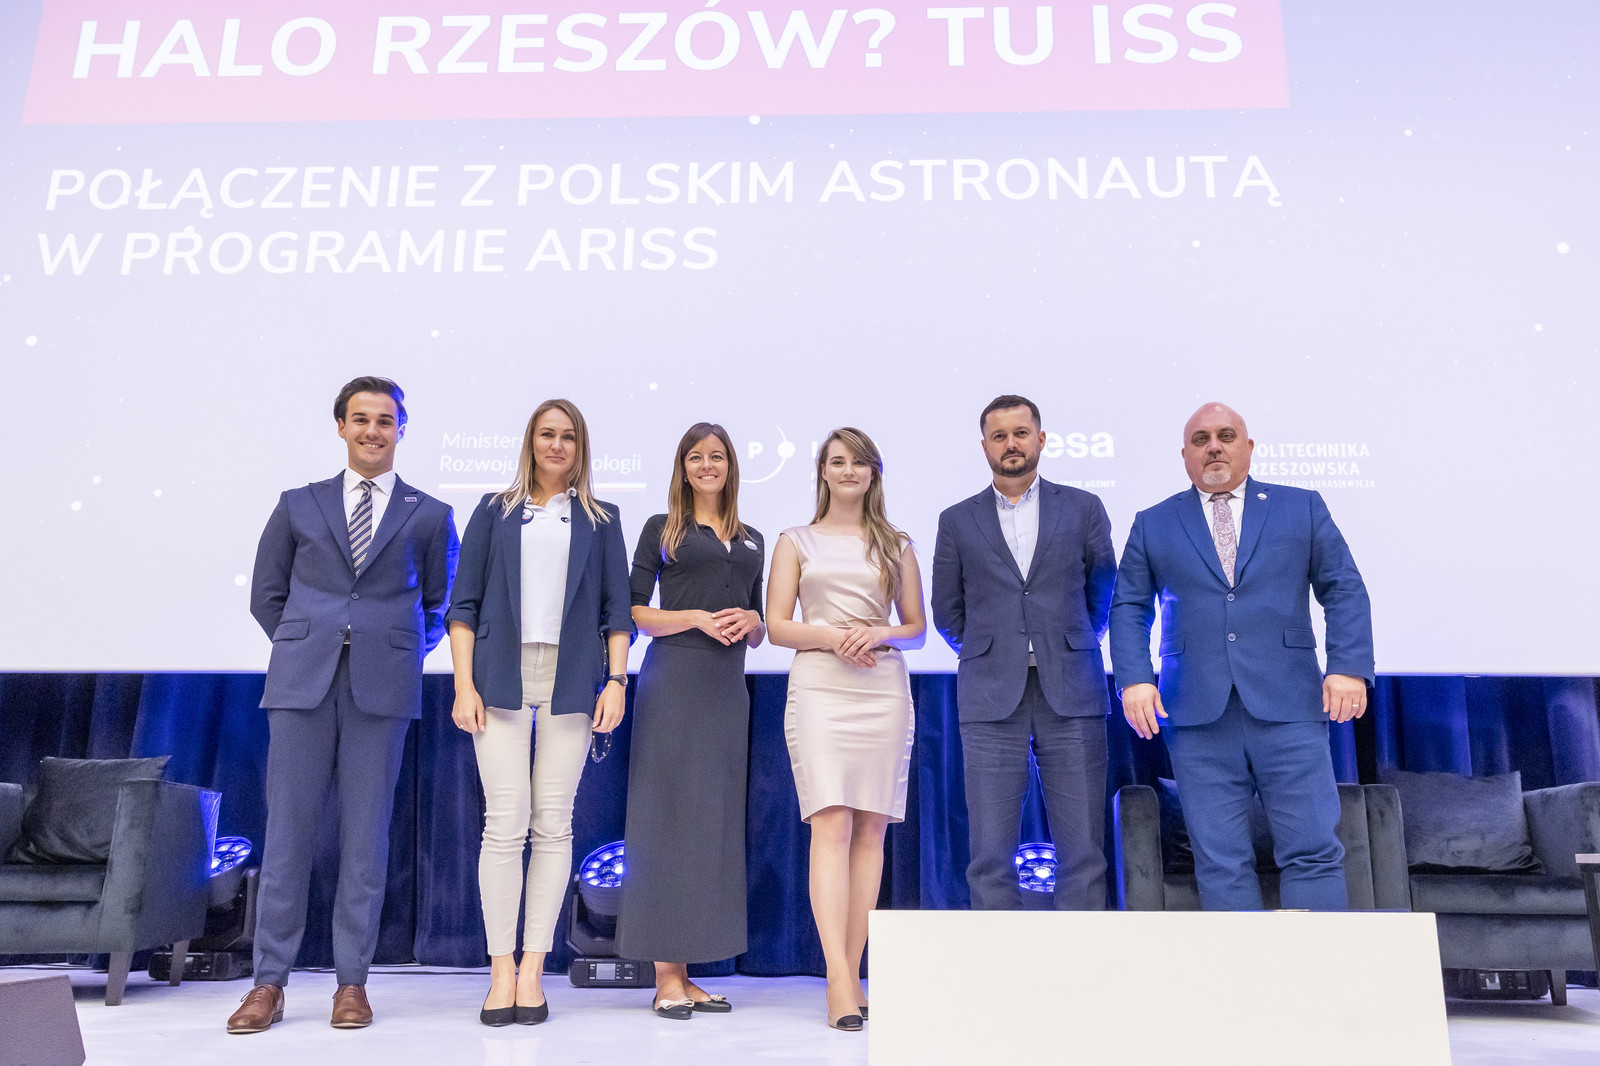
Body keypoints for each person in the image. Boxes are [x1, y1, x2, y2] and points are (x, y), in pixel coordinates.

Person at [231, 376, 458, 1034]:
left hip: (381, 692)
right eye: (361, 419)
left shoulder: (429, 513)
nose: (372, 431)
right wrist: (308, 643)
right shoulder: (298, 504)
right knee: (287, 837)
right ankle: (267, 984)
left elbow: (439, 606)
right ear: (341, 427)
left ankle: (351, 983)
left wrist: (392, 652)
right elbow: (266, 595)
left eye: (385, 420)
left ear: (401, 430)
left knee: (365, 841)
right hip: (301, 685)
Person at [1109, 402, 1374, 911]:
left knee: (1313, 852)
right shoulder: (1152, 522)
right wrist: (1135, 680)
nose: (1214, 446)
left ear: (1248, 447)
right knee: (1219, 861)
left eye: (1226, 435)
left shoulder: (1302, 507)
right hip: (1196, 715)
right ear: (1184, 455)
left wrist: (1347, 667)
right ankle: (1242, 967)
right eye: (1201, 439)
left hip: (1290, 704)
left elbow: (1344, 589)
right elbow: (1128, 607)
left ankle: (1318, 965)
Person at [445, 399, 633, 1026]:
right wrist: (463, 685)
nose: (557, 445)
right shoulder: (494, 509)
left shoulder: (602, 519)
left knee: (553, 824)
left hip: (572, 676)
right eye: (547, 434)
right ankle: (500, 972)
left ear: (581, 447)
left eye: (568, 436)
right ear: (530, 441)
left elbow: (616, 611)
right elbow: (463, 605)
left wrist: (616, 682)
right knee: (505, 823)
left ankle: (532, 970)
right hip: (499, 673)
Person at [930, 394, 1118, 911]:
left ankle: (1081, 950)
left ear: (1040, 438)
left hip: (1072, 687)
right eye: (999, 436)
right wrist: (992, 652)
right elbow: (947, 609)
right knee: (990, 852)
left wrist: (1075, 642)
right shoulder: (956, 519)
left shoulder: (1083, 507)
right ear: (984, 446)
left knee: (1083, 849)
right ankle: (999, 955)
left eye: (1020, 433)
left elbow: (1104, 588)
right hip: (990, 692)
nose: (1010, 444)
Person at [767, 427, 926, 1032]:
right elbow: (778, 626)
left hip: (881, 686)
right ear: (823, 472)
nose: (849, 470)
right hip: (820, 686)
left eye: (860, 462)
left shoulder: (896, 543)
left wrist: (879, 633)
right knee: (830, 822)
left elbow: (916, 628)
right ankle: (838, 977)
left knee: (871, 832)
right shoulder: (795, 540)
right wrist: (836, 637)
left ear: (874, 472)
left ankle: (853, 973)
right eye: (838, 461)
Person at [616, 423, 765, 1020]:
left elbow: (760, 623)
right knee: (666, 820)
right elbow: (632, 611)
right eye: (696, 457)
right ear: (682, 467)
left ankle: (690, 972)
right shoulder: (664, 528)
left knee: (711, 823)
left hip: (727, 690)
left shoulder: (752, 537)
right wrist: (696, 618)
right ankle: (665, 977)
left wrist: (752, 623)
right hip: (673, 682)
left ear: (731, 466)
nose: (707, 465)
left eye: (717, 456)